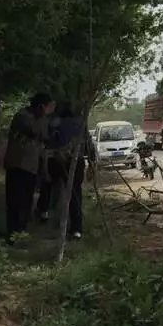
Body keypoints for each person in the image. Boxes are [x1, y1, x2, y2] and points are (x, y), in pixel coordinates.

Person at [2, 92, 55, 244]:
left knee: (26, 202)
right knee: (14, 202)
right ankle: (13, 234)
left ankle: (22, 232)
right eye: (48, 107)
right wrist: (45, 119)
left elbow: (44, 139)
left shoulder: (41, 119)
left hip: (31, 167)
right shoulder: (23, 116)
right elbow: (34, 131)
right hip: (17, 165)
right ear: (40, 106)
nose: (49, 111)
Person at [52, 102, 96, 239]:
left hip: (59, 161)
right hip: (77, 161)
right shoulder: (80, 123)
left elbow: (50, 141)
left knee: (58, 190)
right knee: (75, 193)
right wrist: (92, 162)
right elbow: (89, 144)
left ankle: (59, 221)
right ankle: (76, 228)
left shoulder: (56, 123)